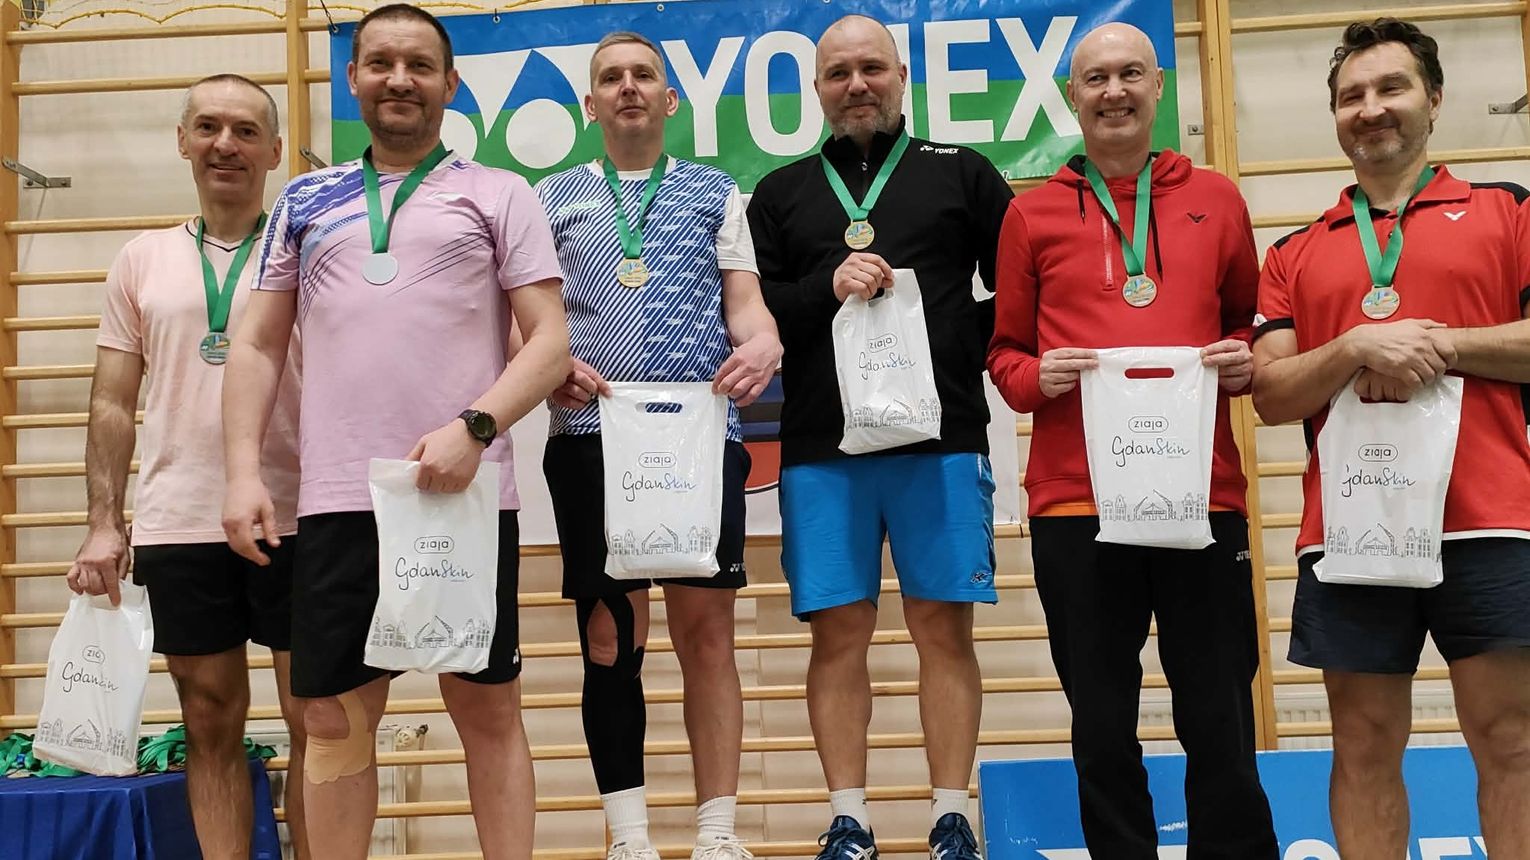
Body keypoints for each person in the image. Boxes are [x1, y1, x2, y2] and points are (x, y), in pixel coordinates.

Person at [219, 5, 570, 859]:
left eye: (419, 65)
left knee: (487, 709)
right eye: (381, 62)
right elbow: (257, 345)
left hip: (462, 497)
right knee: (331, 718)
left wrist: (475, 429)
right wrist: (242, 474)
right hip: (339, 496)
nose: (399, 79)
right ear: (354, 78)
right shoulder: (304, 199)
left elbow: (550, 343)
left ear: (451, 83)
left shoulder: (499, 193)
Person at [985, 22, 1277, 859]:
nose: (1113, 91)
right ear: (1071, 96)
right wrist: (1034, 379)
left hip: (1201, 494)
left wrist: (1243, 358)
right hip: (1076, 504)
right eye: (1095, 79)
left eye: (1129, 74)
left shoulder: (1217, 198)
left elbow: (1248, 325)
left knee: (1220, 713)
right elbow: (1005, 355)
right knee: (1102, 722)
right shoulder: (1030, 213)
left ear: (1157, 87)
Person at [1251, 17, 1530, 858]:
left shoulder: (1509, 211)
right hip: (1352, 530)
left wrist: (1436, 344)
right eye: (1352, 96)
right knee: (1364, 744)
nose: (1370, 108)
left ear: (1434, 100)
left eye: (1391, 87)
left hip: (1490, 520)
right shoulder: (1294, 252)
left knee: (1512, 737)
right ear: (1336, 115)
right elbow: (1269, 392)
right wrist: (1353, 348)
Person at [745, 14, 1011, 860]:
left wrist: (949, 342)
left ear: (901, 76)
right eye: (838, 73)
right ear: (817, 90)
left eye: (871, 68)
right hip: (823, 451)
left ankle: (951, 817)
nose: (856, 85)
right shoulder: (779, 193)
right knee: (837, 635)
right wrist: (824, 286)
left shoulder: (962, 173)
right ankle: (849, 820)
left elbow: (1022, 291)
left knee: (944, 629)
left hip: (941, 442)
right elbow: (755, 316)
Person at [534, 30, 781, 860]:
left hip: (695, 437)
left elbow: (745, 304)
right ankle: (630, 839)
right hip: (590, 435)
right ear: (590, 103)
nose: (629, 87)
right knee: (610, 638)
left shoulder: (716, 191)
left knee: (708, 637)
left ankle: (717, 834)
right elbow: (530, 320)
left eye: (644, 75)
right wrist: (547, 363)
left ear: (671, 99)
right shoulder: (550, 197)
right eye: (612, 77)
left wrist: (764, 342)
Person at [66, 74, 311, 859]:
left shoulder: (309, 250)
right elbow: (111, 402)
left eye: (246, 131)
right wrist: (103, 523)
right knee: (208, 720)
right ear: (182, 141)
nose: (225, 145)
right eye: (208, 127)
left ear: (275, 151)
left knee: (319, 721)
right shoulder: (141, 259)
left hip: (299, 515)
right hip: (180, 520)